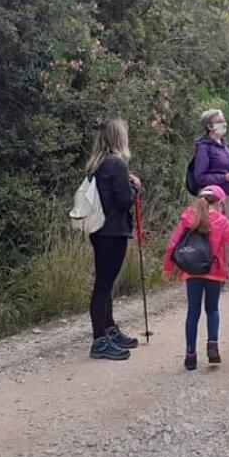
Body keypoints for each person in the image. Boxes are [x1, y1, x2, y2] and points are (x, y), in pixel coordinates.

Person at [162, 184, 229, 371]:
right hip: (214, 272)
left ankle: (190, 356)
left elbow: (172, 245)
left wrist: (168, 268)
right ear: (220, 203)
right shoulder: (221, 221)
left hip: (191, 272)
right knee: (212, 310)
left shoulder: (188, 217)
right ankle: (212, 345)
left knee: (193, 312)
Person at [85, 118, 143, 361]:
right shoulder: (116, 164)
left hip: (99, 230)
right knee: (104, 285)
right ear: (118, 138)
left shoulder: (97, 164)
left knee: (104, 282)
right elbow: (123, 201)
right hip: (113, 230)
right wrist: (135, 188)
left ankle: (108, 329)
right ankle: (100, 339)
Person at [192, 108, 229, 285]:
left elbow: (225, 169)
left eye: (223, 120)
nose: (223, 124)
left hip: (228, 195)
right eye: (219, 121)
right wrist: (224, 177)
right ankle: (217, 271)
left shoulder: (223, 144)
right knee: (214, 235)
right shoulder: (203, 147)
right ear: (209, 126)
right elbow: (199, 177)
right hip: (211, 200)